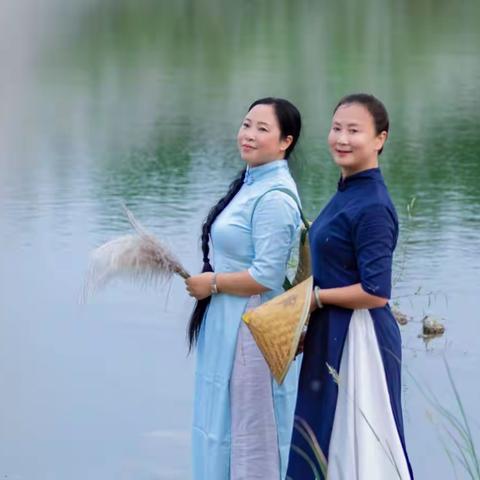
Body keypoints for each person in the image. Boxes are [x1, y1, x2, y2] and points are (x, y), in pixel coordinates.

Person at [287, 93, 414, 479]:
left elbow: (376, 291)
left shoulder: (373, 204)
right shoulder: (348, 190)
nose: (341, 138)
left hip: (360, 339)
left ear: (380, 139)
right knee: (321, 437)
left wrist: (316, 299)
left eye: (354, 130)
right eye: (336, 128)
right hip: (332, 330)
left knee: (353, 445)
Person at [185, 97, 303, 480]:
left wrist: (213, 283)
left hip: (250, 327)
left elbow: (267, 275)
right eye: (246, 124)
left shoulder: (274, 197)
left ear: (285, 141)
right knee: (220, 419)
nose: (249, 135)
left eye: (262, 129)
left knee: (249, 429)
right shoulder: (253, 182)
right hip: (229, 320)